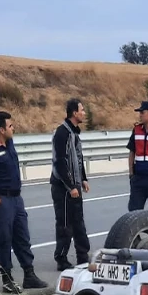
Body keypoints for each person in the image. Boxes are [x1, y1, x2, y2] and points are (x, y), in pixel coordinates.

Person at [0, 111, 48, 293]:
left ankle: (29, 274)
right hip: (2, 199)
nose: (13, 128)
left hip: (17, 198)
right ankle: (7, 278)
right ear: (1, 129)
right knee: (4, 239)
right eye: (10, 126)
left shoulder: (9, 144)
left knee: (22, 236)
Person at [50, 98, 91, 270]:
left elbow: (78, 159)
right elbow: (60, 163)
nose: (84, 113)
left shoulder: (74, 133)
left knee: (79, 223)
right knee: (65, 224)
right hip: (63, 188)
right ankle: (61, 259)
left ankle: (83, 256)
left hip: (74, 185)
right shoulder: (62, 133)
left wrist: (82, 179)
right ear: (74, 113)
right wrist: (70, 186)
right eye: (81, 110)